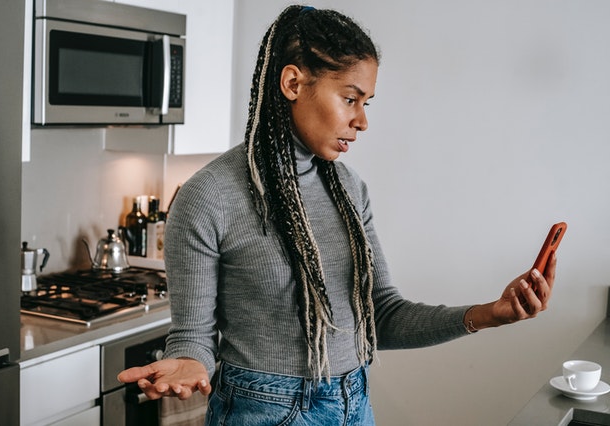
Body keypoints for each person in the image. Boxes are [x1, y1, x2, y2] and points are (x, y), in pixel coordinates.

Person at [117, 5, 556, 425]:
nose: (361, 121)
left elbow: (381, 314)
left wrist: (491, 313)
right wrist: (189, 364)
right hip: (263, 411)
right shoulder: (209, 196)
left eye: (367, 103)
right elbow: (193, 334)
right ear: (293, 83)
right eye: (350, 99)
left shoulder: (349, 189)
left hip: (354, 404)